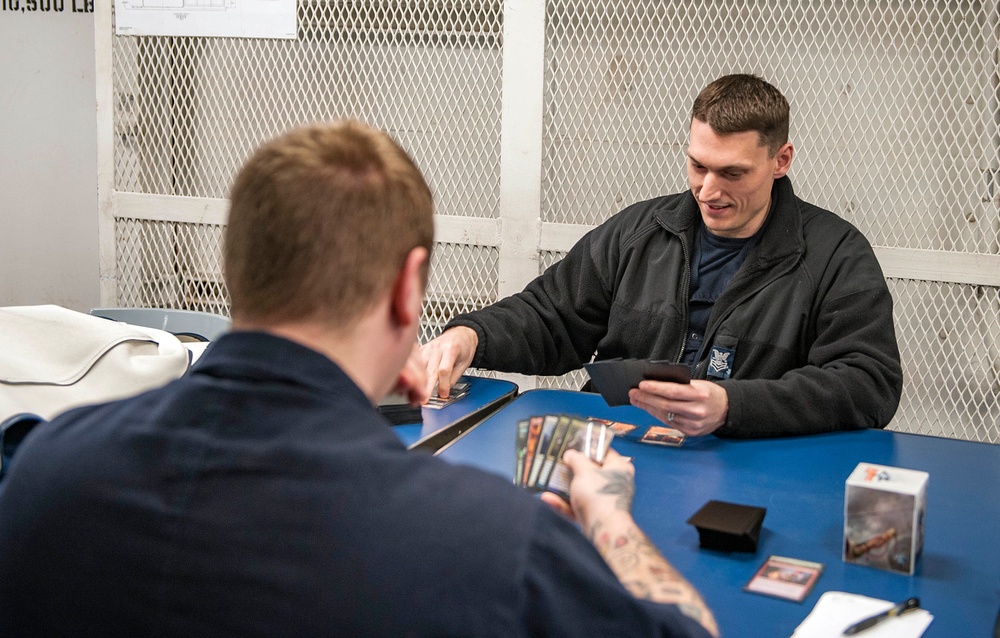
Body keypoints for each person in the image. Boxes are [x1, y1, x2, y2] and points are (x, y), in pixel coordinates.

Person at [0, 120, 717, 637]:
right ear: (410, 289)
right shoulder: (493, 546)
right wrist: (607, 516)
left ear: (235, 269)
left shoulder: (44, 471)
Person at [420, 74, 902, 439]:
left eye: (732, 173)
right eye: (697, 165)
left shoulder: (838, 254)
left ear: (781, 160)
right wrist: (471, 335)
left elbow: (868, 383)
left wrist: (733, 406)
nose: (707, 191)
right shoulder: (639, 232)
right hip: (621, 444)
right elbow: (551, 317)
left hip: (748, 459)